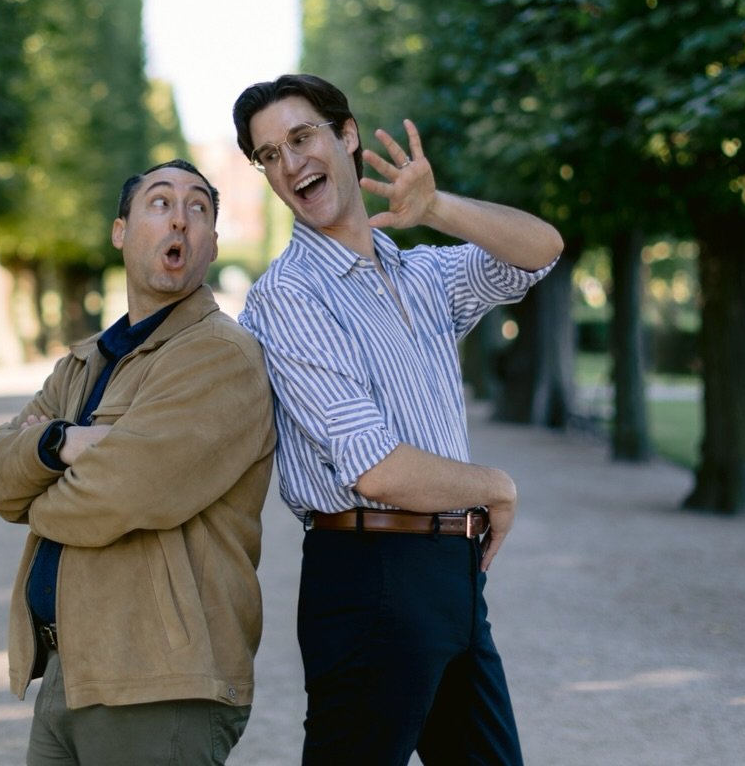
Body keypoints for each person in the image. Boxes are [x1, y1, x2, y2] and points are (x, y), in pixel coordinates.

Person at [233, 72, 562, 766]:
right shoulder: (287, 298)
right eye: (269, 155)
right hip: (368, 576)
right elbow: (373, 465)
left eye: (302, 138)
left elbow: (540, 251)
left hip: (455, 573)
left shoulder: (423, 274)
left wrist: (438, 206)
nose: (290, 164)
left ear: (346, 136)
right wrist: (494, 485)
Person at [0, 159, 274, 766]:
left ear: (212, 242)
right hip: (69, 674)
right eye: (160, 203)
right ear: (120, 231)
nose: (180, 221)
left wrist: (35, 491)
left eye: (199, 209)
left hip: (161, 684)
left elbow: (119, 495)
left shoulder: (220, 356)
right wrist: (59, 443)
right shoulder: (84, 363)